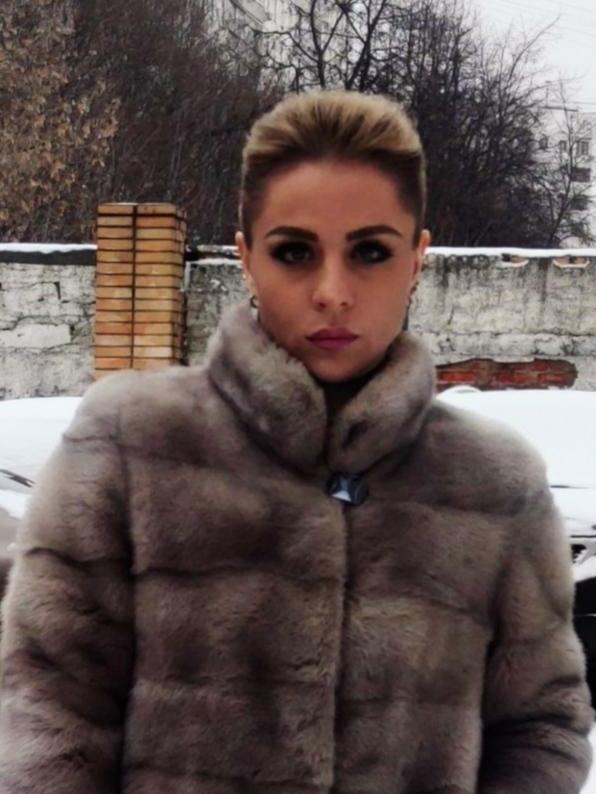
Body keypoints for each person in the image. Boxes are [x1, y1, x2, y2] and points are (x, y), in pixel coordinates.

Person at [0, 89, 592, 793]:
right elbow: (51, 711)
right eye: (294, 252)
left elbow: (541, 725)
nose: (332, 291)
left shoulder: (493, 483)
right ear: (246, 258)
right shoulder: (132, 446)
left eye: (370, 251)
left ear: (417, 259)